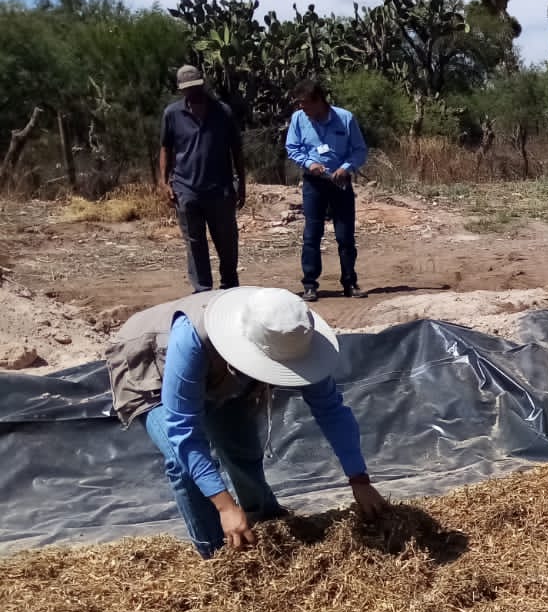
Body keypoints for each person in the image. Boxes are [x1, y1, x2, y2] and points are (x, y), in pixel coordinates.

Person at [105, 286, 387, 556]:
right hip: (150, 364)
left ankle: (265, 520)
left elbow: (331, 409)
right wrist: (225, 506)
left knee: (240, 447)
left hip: (222, 372)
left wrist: (359, 479)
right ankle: (216, 551)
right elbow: (183, 428)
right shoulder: (192, 338)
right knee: (182, 464)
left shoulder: (293, 336)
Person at [159, 64, 247, 292]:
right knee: (195, 243)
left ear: (203, 83)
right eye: (188, 88)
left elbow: (236, 150)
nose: (193, 91)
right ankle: (203, 291)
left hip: (220, 189)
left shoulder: (223, 111)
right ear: (181, 89)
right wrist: (164, 182)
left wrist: (242, 184)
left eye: (196, 86)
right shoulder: (172, 114)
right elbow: (166, 148)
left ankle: (230, 287)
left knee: (227, 243)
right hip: (186, 189)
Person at [286, 78, 369, 301]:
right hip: (314, 183)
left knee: (345, 236)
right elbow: (292, 148)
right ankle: (310, 285)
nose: (301, 108)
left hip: (340, 183)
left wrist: (345, 168)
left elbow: (359, 150)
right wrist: (309, 163)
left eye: (305, 103)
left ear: (319, 100)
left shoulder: (345, 118)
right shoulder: (298, 119)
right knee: (312, 235)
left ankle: (350, 283)